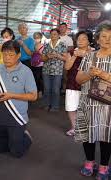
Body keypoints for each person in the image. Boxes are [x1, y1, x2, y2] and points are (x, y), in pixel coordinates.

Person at [75, 22, 111, 180]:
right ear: (97, 38)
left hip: (107, 106)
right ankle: (89, 162)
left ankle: (104, 166)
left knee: (106, 136)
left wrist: (104, 75)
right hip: (87, 102)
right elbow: (78, 79)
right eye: (104, 36)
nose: (107, 39)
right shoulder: (89, 56)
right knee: (87, 134)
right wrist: (90, 74)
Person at [0, 40, 37, 158]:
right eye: (4, 55)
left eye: (11, 55)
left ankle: (25, 136)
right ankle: (15, 137)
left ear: (18, 55)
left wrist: (11, 95)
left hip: (17, 116)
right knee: (0, 149)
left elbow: (33, 96)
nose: (7, 58)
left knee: (16, 152)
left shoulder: (26, 71)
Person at [64, 30, 93, 136]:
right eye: (78, 39)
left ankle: (87, 128)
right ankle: (74, 128)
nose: (80, 41)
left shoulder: (94, 52)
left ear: (89, 41)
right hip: (72, 83)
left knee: (87, 108)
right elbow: (67, 67)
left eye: (83, 39)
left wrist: (85, 54)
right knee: (71, 107)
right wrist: (75, 55)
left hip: (88, 84)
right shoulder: (71, 52)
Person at [41, 28, 68, 112]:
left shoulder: (63, 45)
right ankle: (46, 104)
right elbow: (42, 58)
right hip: (46, 70)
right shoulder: (46, 44)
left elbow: (65, 58)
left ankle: (55, 106)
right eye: (51, 34)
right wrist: (47, 57)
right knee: (47, 89)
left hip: (58, 71)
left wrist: (57, 55)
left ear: (58, 35)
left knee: (56, 90)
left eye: (55, 34)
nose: (53, 36)